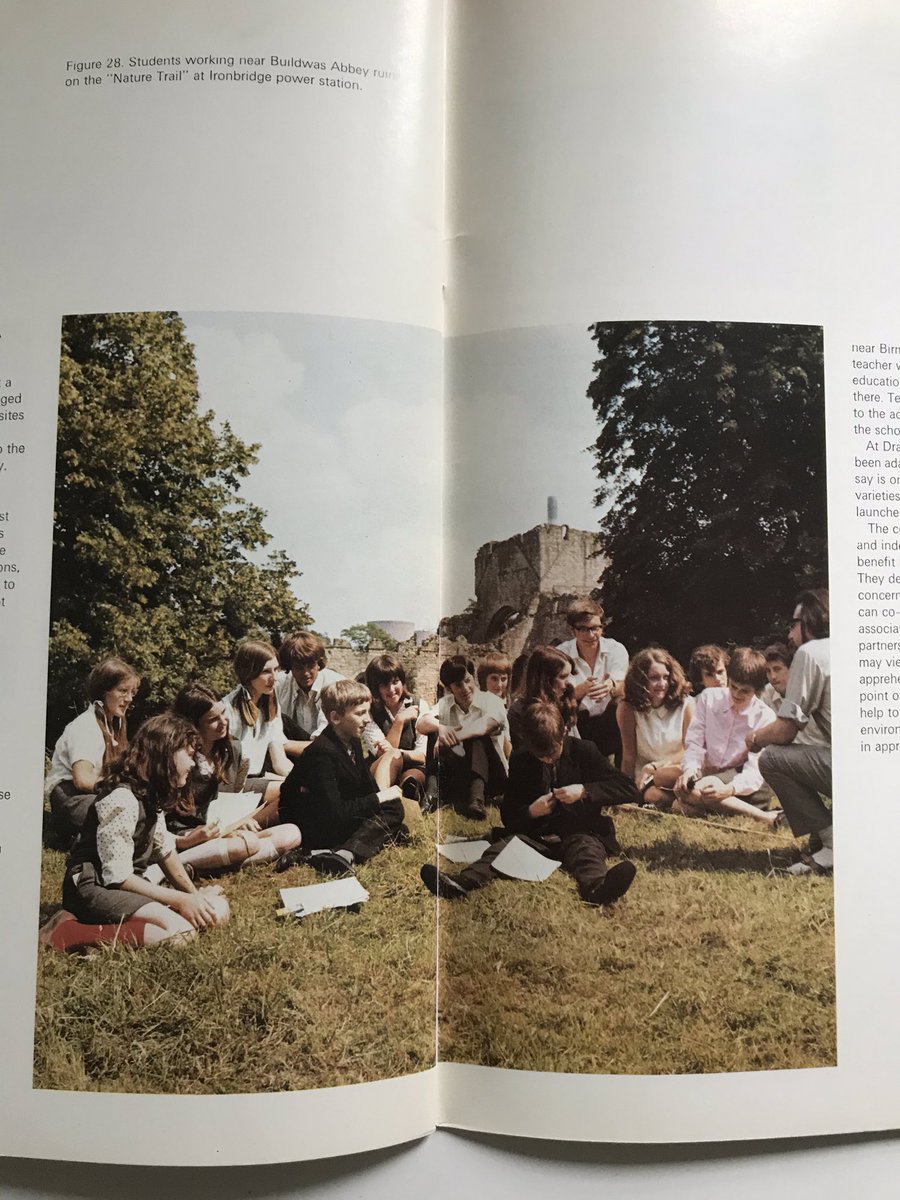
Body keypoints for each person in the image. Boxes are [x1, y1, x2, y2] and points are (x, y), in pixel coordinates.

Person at [40, 714, 230, 951]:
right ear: (166, 753)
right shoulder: (122, 798)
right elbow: (117, 876)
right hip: (94, 887)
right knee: (180, 933)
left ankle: (144, 923)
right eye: (189, 755)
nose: (193, 765)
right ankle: (67, 932)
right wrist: (181, 900)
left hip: (126, 884)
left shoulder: (150, 795)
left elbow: (164, 850)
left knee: (217, 909)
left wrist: (194, 896)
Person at [420, 702, 639, 907]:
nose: (548, 760)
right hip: (538, 837)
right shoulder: (521, 759)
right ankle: (461, 882)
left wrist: (583, 790)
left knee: (586, 852)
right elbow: (509, 813)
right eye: (541, 756)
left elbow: (628, 787)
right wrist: (532, 811)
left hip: (578, 831)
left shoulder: (585, 750)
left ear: (563, 734)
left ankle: (598, 888)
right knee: (503, 849)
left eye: (552, 753)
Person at [163, 682, 301, 874]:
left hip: (226, 831)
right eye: (213, 719)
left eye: (223, 713)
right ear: (193, 724)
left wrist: (241, 821)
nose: (223, 722)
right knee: (248, 843)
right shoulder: (180, 758)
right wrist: (201, 834)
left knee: (291, 833)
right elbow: (171, 819)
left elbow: (232, 800)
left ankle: (208, 863)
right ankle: (190, 862)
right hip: (190, 834)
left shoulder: (231, 750)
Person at [276, 679, 406, 875]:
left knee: (393, 808)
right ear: (336, 718)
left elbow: (367, 787)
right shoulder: (322, 753)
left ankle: (336, 851)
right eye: (360, 713)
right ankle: (345, 852)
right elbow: (333, 812)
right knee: (390, 819)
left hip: (338, 813)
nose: (368, 719)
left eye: (368, 712)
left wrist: (381, 798)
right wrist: (379, 798)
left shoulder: (352, 741)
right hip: (313, 823)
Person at [748, 589, 832, 873]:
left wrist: (755, 738)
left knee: (771, 758)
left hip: (851, 771)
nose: (790, 633)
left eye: (794, 623)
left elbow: (785, 731)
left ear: (811, 620)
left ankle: (832, 844)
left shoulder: (811, 653)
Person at [675, 647, 780, 826]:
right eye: (734, 687)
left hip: (748, 781)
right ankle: (762, 816)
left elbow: (754, 771)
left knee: (694, 794)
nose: (737, 694)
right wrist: (690, 771)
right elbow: (694, 743)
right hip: (713, 777)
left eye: (744, 691)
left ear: (757, 691)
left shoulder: (765, 717)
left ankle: (762, 817)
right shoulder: (708, 698)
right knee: (681, 801)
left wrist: (729, 790)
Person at [45, 657, 141, 842]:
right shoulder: (86, 726)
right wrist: (120, 787)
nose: (129, 699)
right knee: (129, 810)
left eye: (132, 693)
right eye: (123, 691)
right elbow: (82, 780)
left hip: (94, 796)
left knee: (142, 808)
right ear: (103, 691)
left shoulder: (115, 726)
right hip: (72, 799)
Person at [416, 655, 509, 820]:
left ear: (473, 678)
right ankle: (432, 794)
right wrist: (441, 728)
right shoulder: (446, 703)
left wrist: (455, 735)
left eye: (467, 680)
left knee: (476, 734)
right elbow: (421, 723)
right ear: (449, 688)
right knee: (435, 729)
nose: (465, 688)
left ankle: (477, 799)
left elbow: (486, 725)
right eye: (458, 685)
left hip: (492, 776)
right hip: (462, 773)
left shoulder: (491, 701)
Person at [617, 647, 694, 807]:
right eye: (654, 678)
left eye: (666, 677)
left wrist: (655, 767)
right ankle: (688, 802)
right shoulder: (627, 708)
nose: (662, 684)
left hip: (678, 770)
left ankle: (690, 800)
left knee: (664, 778)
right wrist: (624, 792)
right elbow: (629, 755)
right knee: (653, 795)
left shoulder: (686, 705)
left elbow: (691, 754)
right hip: (646, 778)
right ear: (640, 680)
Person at [557, 598, 628, 763]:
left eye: (595, 628)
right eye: (583, 629)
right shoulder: (560, 654)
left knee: (622, 704)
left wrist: (610, 685)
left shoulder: (616, 649)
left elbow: (624, 684)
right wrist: (580, 691)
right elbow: (556, 696)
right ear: (573, 630)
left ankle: (623, 771)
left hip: (610, 722)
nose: (590, 635)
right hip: (577, 722)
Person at [222, 638, 292, 781]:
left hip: (256, 777)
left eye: (276, 669)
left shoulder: (271, 705)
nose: (274, 678)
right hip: (232, 783)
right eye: (266, 671)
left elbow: (279, 762)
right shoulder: (228, 710)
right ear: (248, 673)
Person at [363, 653, 430, 800]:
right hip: (380, 766)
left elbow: (422, 755)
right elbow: (382, 755)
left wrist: (399, 753)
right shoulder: (369, 712)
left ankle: (404, 795)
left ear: (402, 681)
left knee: (412, 778)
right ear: (376, 688)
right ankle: (382, 801)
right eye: (384, 685)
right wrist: (399, 721)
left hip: (412, 765)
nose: (391, 689)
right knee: (384, 768)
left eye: (395, 682)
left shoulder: (419, 705)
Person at [275, 631, 345, 757]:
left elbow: (325, 742)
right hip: (291, 752)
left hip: (329, 755)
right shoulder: (279, 683)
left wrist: (277, 746)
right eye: (299, 667)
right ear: (290, 667)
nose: (306, 673)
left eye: (310, 665)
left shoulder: (335, 685)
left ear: (319, 663)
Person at [507, 645, 579, 751]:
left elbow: (575, 742)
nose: (568, 683)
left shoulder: (563, 701)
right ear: (545, 680)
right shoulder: (519, 710)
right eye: (563, 677)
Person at [761, 642, 793, 712]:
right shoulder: (766, 694)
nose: (773, 676)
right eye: (768, 671)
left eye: (777, 669)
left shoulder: (806, 693)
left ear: (791, 669)